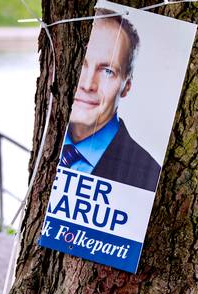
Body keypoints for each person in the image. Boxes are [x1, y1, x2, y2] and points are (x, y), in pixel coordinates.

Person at [61, 8, 162, 192]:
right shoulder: (45, 140)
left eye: (107, 71)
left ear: (126, 86)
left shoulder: (149, 176)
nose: (88, 84)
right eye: (80, 64)